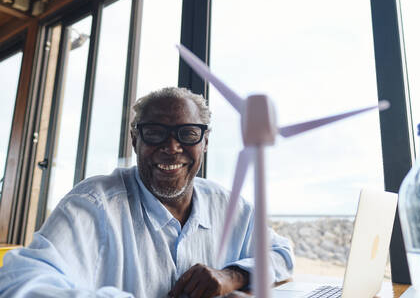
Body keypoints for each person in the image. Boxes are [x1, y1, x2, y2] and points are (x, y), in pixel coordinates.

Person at [0, 87, 294, 298]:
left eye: (188, 133)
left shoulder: (229, 206)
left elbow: (281, 254)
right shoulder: (93, 204)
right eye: (154, 132)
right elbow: (19, 282)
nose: (171, 147)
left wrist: (231, 276)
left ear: (204, 141)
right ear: (134, 140)